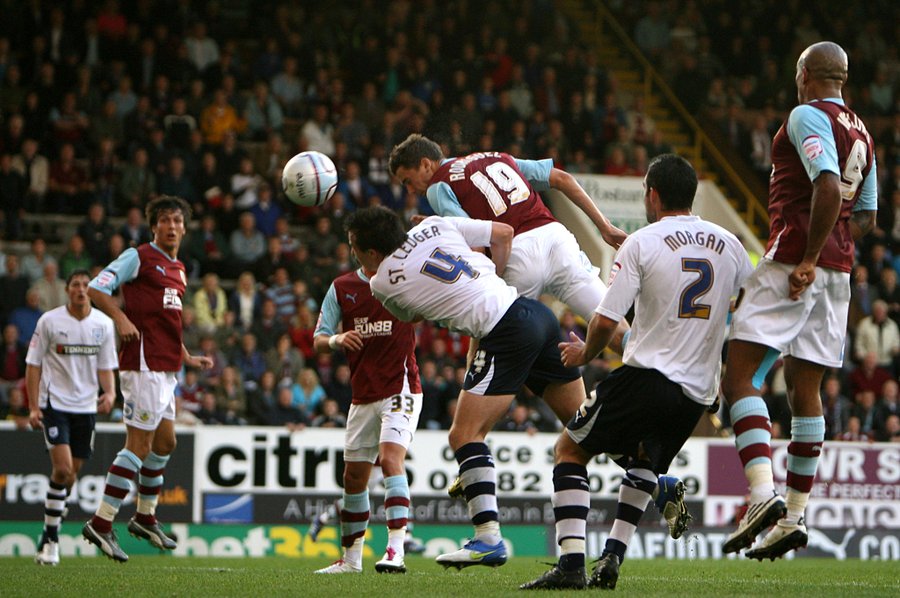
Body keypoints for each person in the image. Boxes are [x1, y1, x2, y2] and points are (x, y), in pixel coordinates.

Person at [521, 154, 752, 590]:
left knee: (569, 451)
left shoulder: (643, 242)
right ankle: (611, 560)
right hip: (698, 393)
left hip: (648, 374)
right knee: (645, 462)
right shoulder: (731, 245)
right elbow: (745, 307)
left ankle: (571, 564)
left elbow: (606, 320)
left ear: (652, 194)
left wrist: (584, 355)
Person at [345, 206, 586, 570]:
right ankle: (653, 475)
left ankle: (488, 538)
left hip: (504, 331)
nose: (353, 255)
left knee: (464, 435)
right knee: (583, 428)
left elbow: (411, 316)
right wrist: (487, 276)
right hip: (533, 311)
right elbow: (502, 234)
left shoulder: (380, 282)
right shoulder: (435, 224)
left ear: (372, 254)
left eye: (354, 248)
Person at [720, 42, 878, 561]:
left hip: (796, 261)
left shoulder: (807, 115)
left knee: (739, 375)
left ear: (805, 74)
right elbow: (868, 215)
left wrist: (808, 257)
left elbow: (827, 187)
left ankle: (762, 494)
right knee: (803, 388)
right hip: (839, 271)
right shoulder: (864, 133)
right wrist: (831, 252)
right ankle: (793, 516)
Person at [82, 196, 214, 562]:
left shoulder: (180, 268)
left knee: (166, 442)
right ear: (154, 226)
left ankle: (144, 516)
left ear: (185, 228)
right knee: (138, 446)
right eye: (165, 220)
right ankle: (102, 523)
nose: (172, 226)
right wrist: (121, 318)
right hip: (143, 365)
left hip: (167, 365)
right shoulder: (137, 256)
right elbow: (95, 288)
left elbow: (166, 319)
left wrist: (185, 354)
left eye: (177, 221)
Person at [388, 133, 626, 324]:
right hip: (556, 238)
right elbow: (562, 179)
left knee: (496, 352)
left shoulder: (437, 186)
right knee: (609, 324)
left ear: (426, 164)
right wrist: (604, 227)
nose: (409, 190)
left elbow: (475, 247)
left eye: (407, 180)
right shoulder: (496, 157)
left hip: (517, 257)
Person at [310, 236, 423, 574]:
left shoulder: (404, 281)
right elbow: (318, 340)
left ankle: (395, 551)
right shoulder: (341, 287)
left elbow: (429, 307)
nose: (349, 249)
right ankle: (351, 560)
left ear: (371, 250)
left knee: (390, 459)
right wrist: (336, 339)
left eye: (354, 244)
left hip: (401, 389)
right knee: (354, 478)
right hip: (362, 395)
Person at [27, 270, 118, 566]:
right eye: (76, 285)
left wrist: (110, 392)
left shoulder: (103, 324)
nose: (81, 289)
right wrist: (33, 406)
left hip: (86, 408)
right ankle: (52, 541)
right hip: (55, 404)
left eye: (86, 285)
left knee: (71, 474)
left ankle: (47, 529)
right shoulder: (50, 321)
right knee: (63, 470)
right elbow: (33, 364)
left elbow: (106, 365)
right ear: (67, 290)